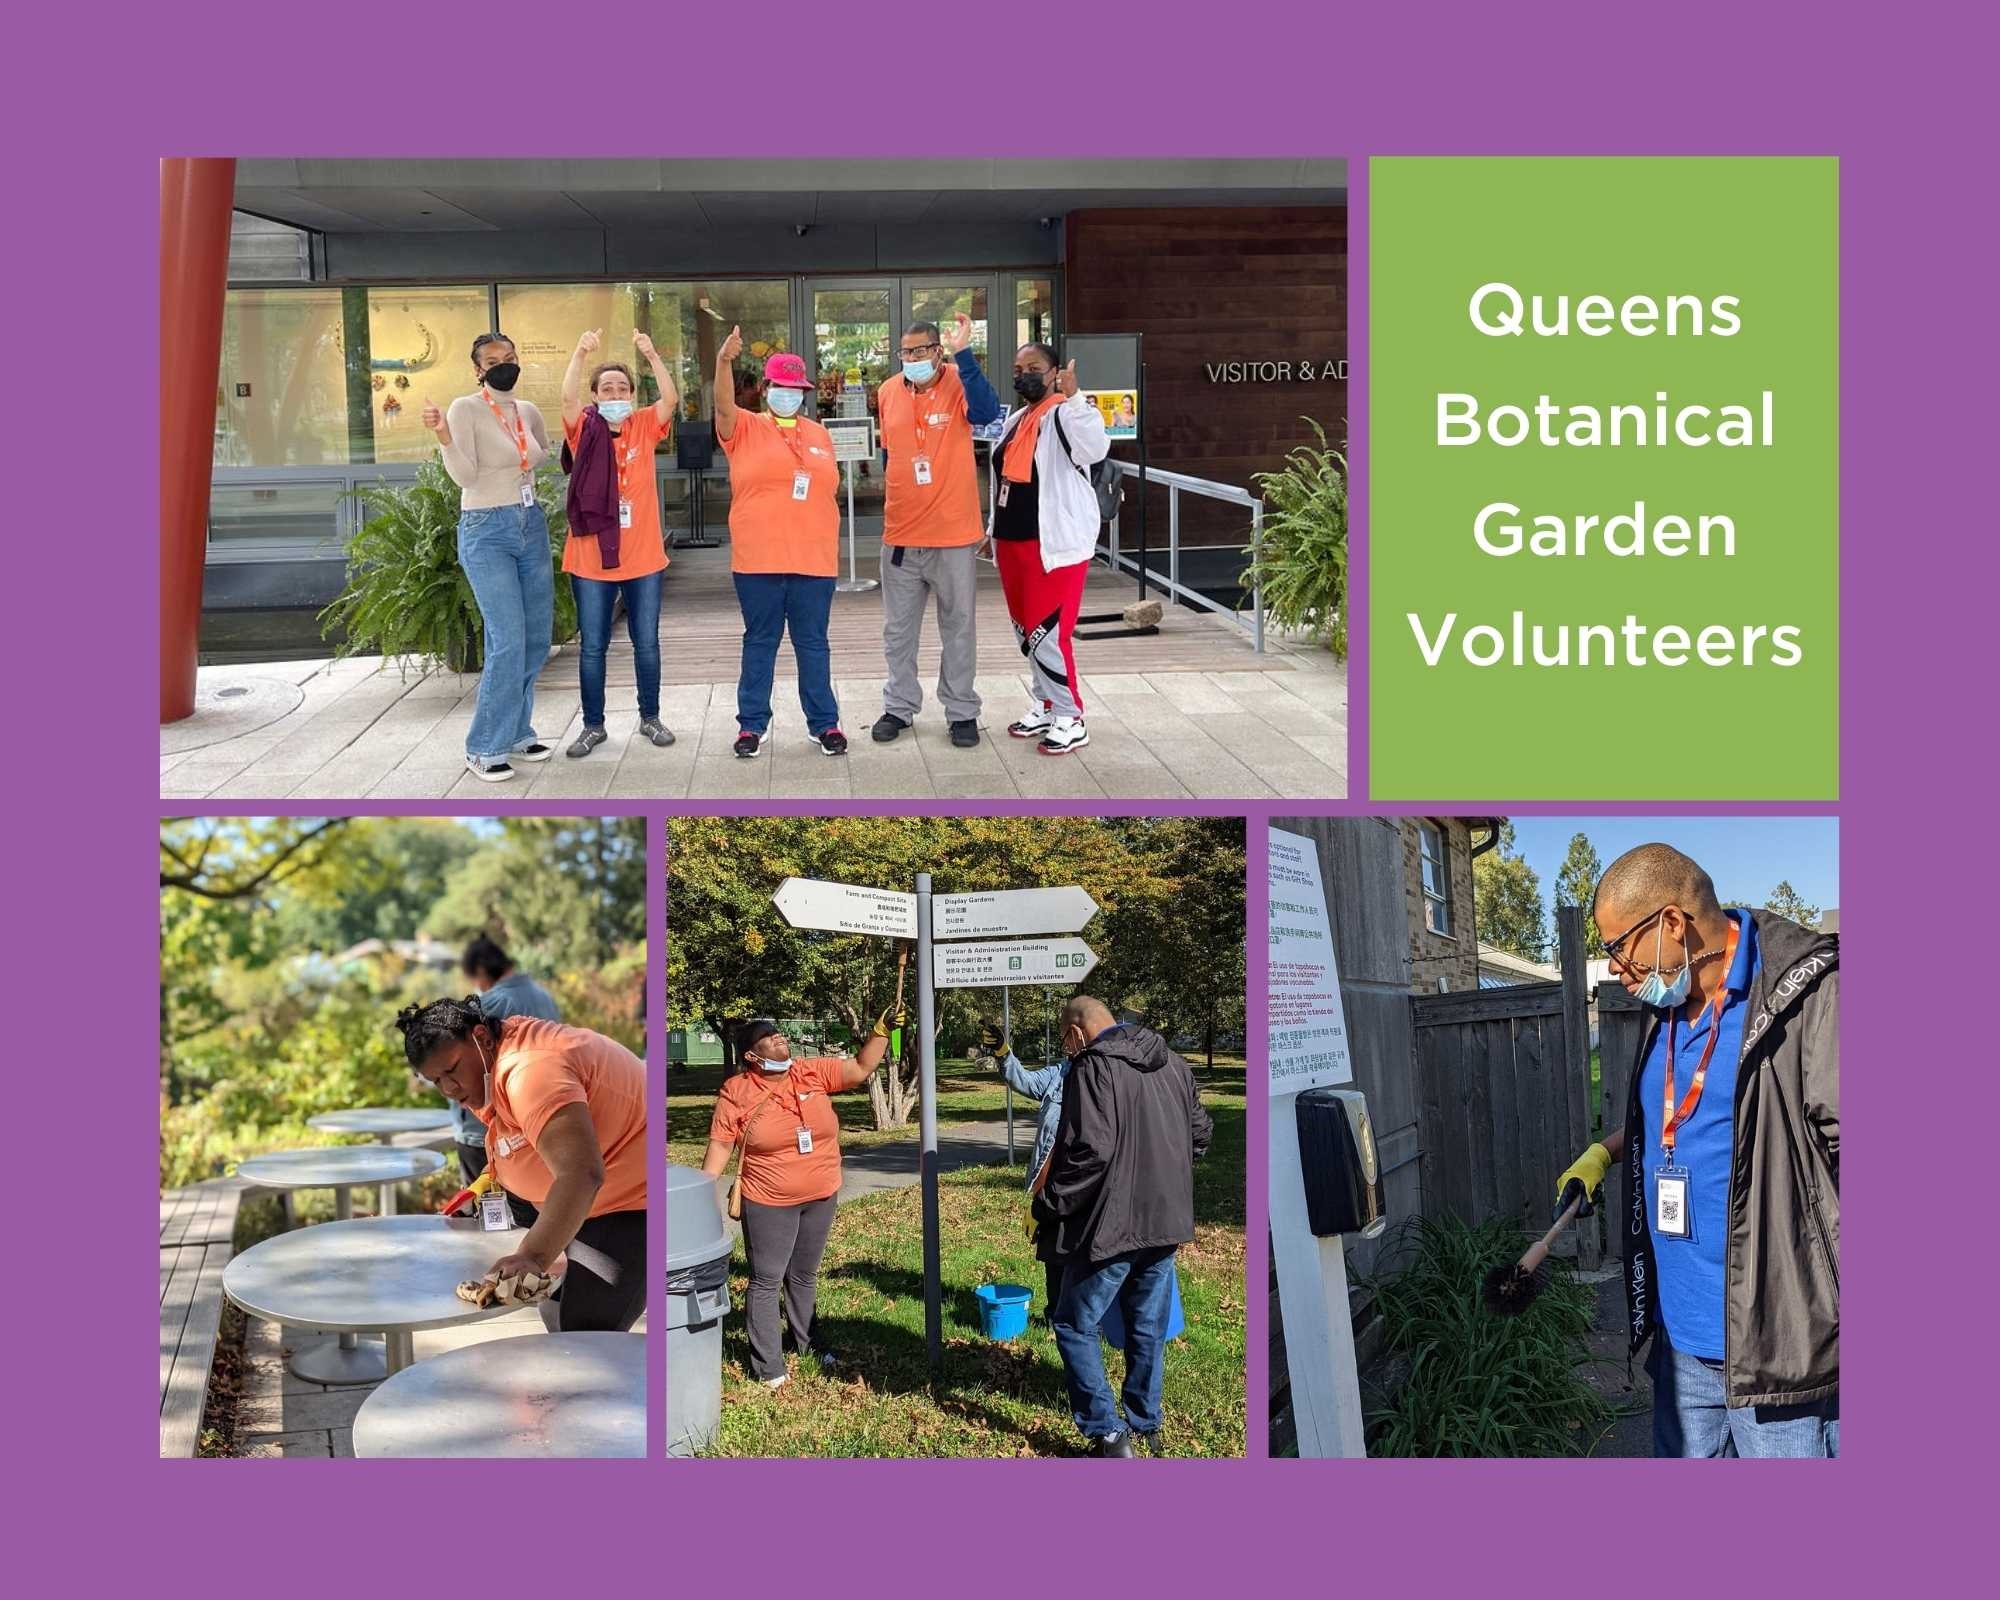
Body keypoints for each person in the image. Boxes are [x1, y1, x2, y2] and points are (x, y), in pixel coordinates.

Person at [1553, 843, 1838, 1459]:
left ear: (1672, 924)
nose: (1616, 970)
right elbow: (1683, 1126)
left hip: (1775, 1352)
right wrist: (1604, 1153)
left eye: (1619, 948)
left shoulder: (1808, 996)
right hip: (1680, 1343)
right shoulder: (1669, 1012)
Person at [396, 997, 647, 1331]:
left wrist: (532, 1255)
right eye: (436, 1081)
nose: (450, 1090)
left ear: (482, 1037)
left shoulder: (531, 1071)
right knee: (556, 1311)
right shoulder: (493, 1061)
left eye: (452, 1070)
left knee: (586, 1335)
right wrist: (491, 1178)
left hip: (631, 1203)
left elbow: (580, 1174)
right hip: (588, 1203)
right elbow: (525, 1134)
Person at [1035, 997, 1212, 1457]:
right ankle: (1145, 1421)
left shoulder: (1093, 1068)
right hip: (1166, 1222)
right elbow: (1201, 1135)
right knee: (1146, 1323)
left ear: (1077, 1033)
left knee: (1074, 1322)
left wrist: (1049, 1204)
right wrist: (1168, 1180)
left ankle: (1108, 1434)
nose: (1065, 1049)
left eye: (1064, 1039)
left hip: (1110, 1228)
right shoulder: (1173, 1062)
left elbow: (1088, 1152)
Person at [698, 1014, 897, 1387]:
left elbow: (859, 1067)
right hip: (769, 1200)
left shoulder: (809, 1072)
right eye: (768, 1039)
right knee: (766, 1280)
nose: (779, 1040)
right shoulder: (737, 1091)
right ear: (752, 1057)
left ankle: (807, 1343)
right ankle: (768, 1365)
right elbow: (722, 1144)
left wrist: (880, 1033)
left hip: (821, 1193)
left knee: (804, 1275)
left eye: (778, 1034)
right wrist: (696, 1196)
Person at [422, 335, 555, 783]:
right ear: (477, 369)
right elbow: (466, 475)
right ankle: (484, 746)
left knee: (536, 636)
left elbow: (539, 457)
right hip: (486, 527)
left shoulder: (529, 411)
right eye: (493, 361)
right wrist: (443, 437)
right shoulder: (466, 408)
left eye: (510, 358)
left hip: (529, 522)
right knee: (508, 638)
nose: (504, 366)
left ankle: (518, 731)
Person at [712, 328, 847, 758]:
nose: (788, 393)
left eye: (796, 388)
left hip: (813, 559)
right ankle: (752, 725)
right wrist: (723, 363)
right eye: (780, 386)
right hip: (758, 560)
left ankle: (824, 724)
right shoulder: (744, 426)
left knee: (813, 644)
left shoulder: (819, 434)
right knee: (760, 641)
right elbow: (721, 404)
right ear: (766, 388)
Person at [871, 314, 1003, 749]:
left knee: (959, 627)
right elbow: (890, 456)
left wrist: (966, 354)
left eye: (920, 351)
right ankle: (899, 706)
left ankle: (962, 711)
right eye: (905, 352)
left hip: (953, 534)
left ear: (937, 351)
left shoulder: (959, 381)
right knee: (898, 630)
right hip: (902, 536)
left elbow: (985, 413)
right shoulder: (888, 392)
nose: (912, 358)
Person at [558, 327, 680, 758]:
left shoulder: (644, 424)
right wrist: (579, 352)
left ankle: (650, 717)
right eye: (606, 387)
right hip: (591, 558)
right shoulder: (584, 429)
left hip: (644, 557)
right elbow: (567, 400)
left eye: (622, 387)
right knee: (594, 645)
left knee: (647, 641)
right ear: (596, 395)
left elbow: (670, 400)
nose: (615, 393)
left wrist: (651, 355)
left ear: (631, 393)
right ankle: (593, 726)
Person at [986, 344, 1109, 755]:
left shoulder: (1065, 413)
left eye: (1034, 368)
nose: (1025, 375)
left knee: (1049, 633)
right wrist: (992, 529)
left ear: (1055, 372)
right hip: (1013, 541)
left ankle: (1070, 715)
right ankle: (1046, 701)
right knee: (1027, 632)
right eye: (1018, 368)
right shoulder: (1019, 419)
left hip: (1053, 545)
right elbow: (1002, 479)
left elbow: (1095, 448)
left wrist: (1075, 396)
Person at [450, 935, 561, 1181]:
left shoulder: (488, 1004)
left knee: (484, 1214)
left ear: (480, 970)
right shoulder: (545, 999)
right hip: (539, 1125)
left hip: (487, 1133)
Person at [979, 1018, 1068, 1315]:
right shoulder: (1060, 1073)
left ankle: (1087, 1321)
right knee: (1054, 1249)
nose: (1065, 1044)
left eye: (1067, 1036)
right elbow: (1026, 1082)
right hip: (1052, 1183)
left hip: (1088, 1180)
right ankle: (1057, 1315)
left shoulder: (1107, 1077)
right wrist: (1004, 1053)